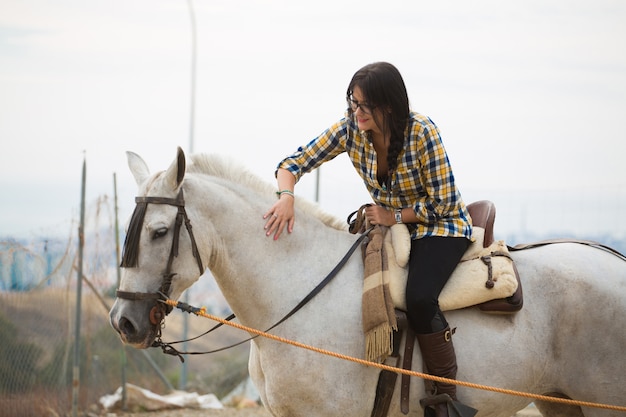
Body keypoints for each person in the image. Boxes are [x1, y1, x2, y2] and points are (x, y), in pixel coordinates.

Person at [263, 62, 476, 417]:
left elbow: (444, 203)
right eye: (353, 103)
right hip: (392, 229)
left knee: (419, 298)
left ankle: (445, 398)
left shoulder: (421, 132)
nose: (356, 113)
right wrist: (286, 196)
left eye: (364, 105)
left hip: (442, 227)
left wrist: (392, 216)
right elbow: (293, 162)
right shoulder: (351, 130)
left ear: (388, 105)